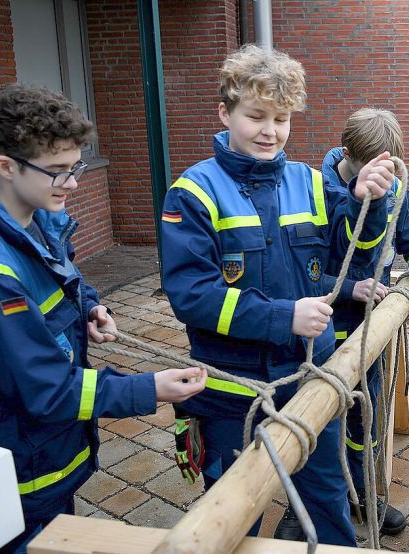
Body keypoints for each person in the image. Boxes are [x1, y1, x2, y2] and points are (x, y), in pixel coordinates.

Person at [0, 84, 207, 553]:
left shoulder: (30, 218)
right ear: (6, 166)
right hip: (19, 460)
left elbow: (61, 279)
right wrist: (150, 389)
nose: (73, 183)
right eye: (58, 171)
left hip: (44, 446)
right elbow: (46, 389)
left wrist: (89, 307)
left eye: (75, 166)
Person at [159, 44, 394, 547]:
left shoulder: (309, 181)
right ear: (225, 113)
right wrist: (282, 317)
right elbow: (192, 296)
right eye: (256, 116)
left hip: (310, 377)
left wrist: (367, 203)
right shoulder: (192, 192)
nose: (270, 131)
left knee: (326, 497)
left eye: (282, 118)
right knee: (232, 511)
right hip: (232, 392)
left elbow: (349, 251)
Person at [272, 108, 409, 538]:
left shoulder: (394, 185)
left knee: (365, 416)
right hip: (318, 325)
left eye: (389, 168)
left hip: (367, 328)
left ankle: (366, 493)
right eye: (371, 167)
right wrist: (349, 286)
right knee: (311, 413)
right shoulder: (311, 192)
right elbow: (296, 269)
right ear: (348, 154)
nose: (380, 178)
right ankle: (302, 507)